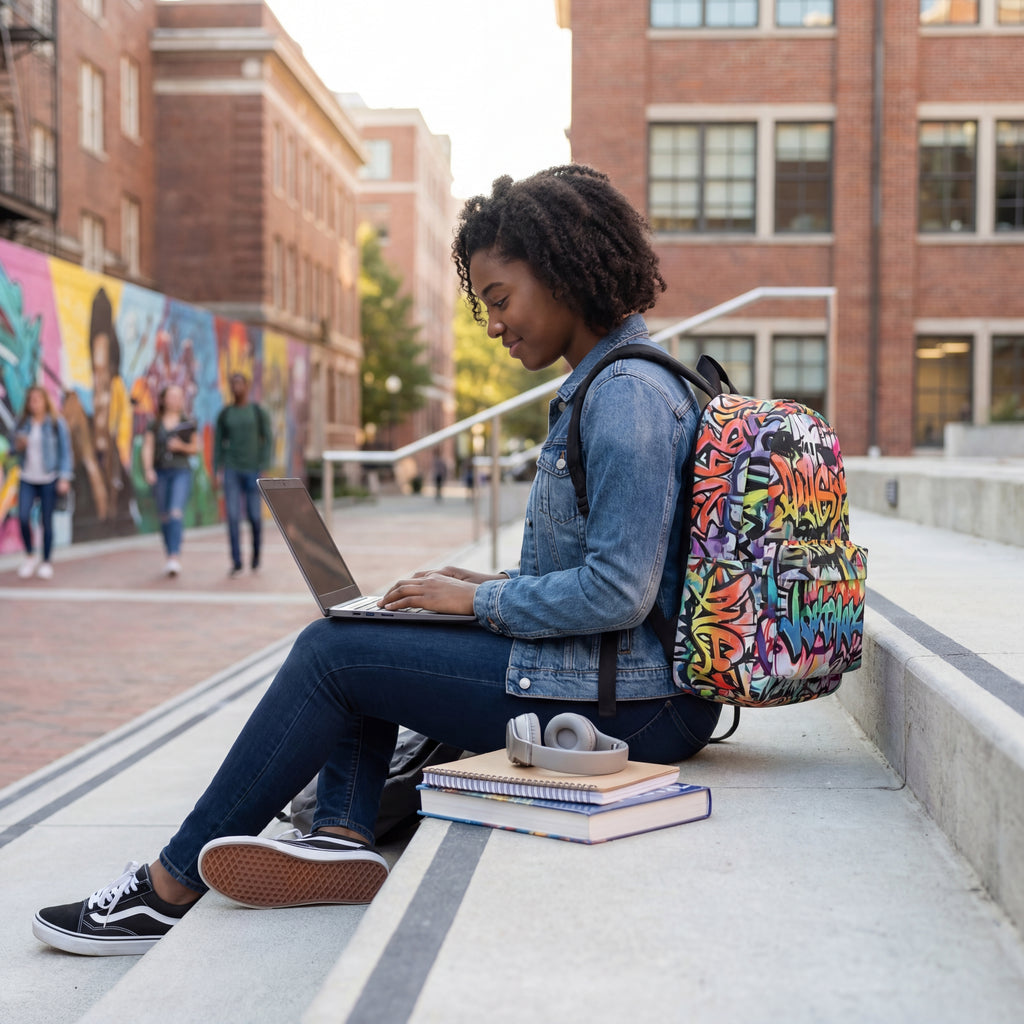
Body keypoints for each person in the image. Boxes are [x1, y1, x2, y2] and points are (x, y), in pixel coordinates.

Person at [33, 164, 721, 957]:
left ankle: (165, 888)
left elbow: (621, 592)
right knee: (369, 627)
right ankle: (337, 834)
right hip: (604, 679)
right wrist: (482, 586)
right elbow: (613, 572)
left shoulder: (628, 395)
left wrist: (482, 606)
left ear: (563, 271)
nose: (492, 325)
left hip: (635, 710)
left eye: (499, 300)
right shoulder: (607, 384)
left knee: (332, 657)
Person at [214, 373, 272, 577]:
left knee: (255, 517)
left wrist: (264, 464)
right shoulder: (225, 413)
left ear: (247, 386)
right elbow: (218, 444)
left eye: (240, 383)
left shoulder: (257, 412)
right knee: (232, 517)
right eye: (233, 384)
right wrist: (216, 471)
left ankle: (256, 557)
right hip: (231, 470)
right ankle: (236, 562)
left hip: (253, 471)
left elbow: (268, 439)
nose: (236, 387)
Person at [13, 385, 72, 580]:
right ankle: (30, 555)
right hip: (27, 477)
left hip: (49, 478)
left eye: (38, 399)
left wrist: (64, 476)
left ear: (45, 400)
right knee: (22, 517)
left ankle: (46, 561)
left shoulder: (55, 423)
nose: (34, 403)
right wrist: (18, 446)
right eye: (31, 400)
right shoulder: (23, 423)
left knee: (46, 521)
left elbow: (65, 452)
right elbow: (13, 450)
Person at [142, 384, 199, 577]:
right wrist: (148, 469)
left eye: (179, 396)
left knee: (175, 512)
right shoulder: (154, 424)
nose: (175, 400)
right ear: (164, 399)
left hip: (181, 471)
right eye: (172, 396)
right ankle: (169, 553)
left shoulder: (187, 422)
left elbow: (194, 448)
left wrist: (180, 446)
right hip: (161, 472)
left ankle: (174, 556)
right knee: (164, 515)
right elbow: (147, 447)